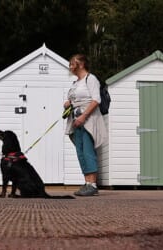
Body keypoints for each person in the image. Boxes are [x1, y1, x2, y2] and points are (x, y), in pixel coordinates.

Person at [64, 54, 107, 196]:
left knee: (88, 150)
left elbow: (96, 100)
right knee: (80, 152)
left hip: (88, 118)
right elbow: (73, 99)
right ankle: (87, 183)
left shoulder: (91, 79)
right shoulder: (76, 83)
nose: (70, 66)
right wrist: (68, 103)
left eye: (72, 63)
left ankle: (93, 185)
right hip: (76, 120)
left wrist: (84, 116)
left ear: (81, 64)